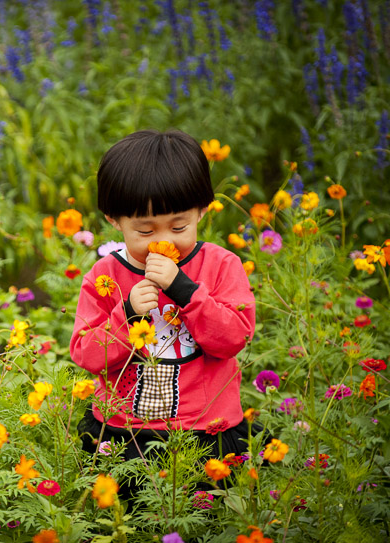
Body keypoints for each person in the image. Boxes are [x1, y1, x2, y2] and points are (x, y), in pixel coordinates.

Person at [70, 129, 256, 498]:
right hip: (125, 431)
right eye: (144, 229)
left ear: (203, 209)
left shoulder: (221, 265)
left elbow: (233, 339)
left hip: (206, 431)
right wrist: (126, 313)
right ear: (113, 220)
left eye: (179, 226)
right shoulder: (105, 275)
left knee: (205, 517)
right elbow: (87, 354)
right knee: (129, 518)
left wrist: (184, 289)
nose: (163, 241)